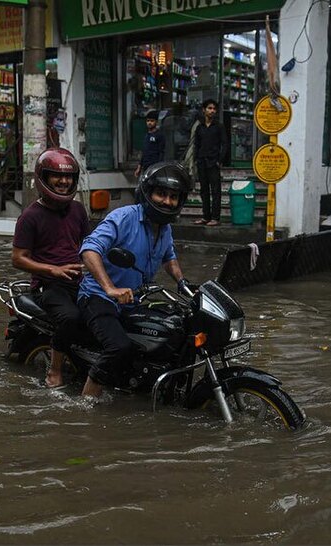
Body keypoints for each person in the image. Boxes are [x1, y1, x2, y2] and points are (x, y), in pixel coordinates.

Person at [78, 161, 192, 399]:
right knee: (119, 347)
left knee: (174, 332)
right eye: (161, 194)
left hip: (134, 299)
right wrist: (110, 288)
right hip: (98, 297)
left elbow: (169, 257)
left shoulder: (164, 227)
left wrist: (183, 284)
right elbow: (89, 249)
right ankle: (87, 401)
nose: (167, 202)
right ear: (148, 193)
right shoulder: (123, 217)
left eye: (173, 197)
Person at [12, 148, 90, 389]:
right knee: (70, 318)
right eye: (57, 176)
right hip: (48, 285)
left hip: (78, 280)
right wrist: (52, 270)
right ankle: (55, 371)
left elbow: (89, 245)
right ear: (42, 178)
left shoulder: (77, 210)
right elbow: (18, 258)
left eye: (68, 177)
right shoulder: (30, 216)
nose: (64, 182)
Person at [192, 99, 227, 227]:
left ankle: (215, 218)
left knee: (216, 190)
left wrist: (220, 160)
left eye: (214, 109)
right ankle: (205, 216)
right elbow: (196, 144)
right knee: (204, 190)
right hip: (202, 161)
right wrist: (196, 159)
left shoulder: (219, 126)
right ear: (204, 110)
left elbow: (224, 144)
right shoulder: (199, 127)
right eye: (209, 108)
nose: (212, 111)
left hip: (213, 162)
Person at [134, 110, 166, 178]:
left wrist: (158, 168)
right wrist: (139, 167)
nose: (149, 123)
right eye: (148, 121)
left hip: (154, 167)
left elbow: (161, 153)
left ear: (156, 122)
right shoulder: (146, 136)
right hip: (146, 167)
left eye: (152, 121)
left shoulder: (160, 135)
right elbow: (144, 152)